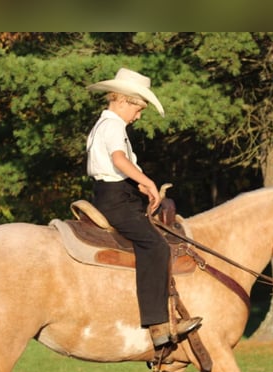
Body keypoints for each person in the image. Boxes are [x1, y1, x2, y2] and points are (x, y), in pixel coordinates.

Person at [86, 68, 201, 348]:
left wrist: (137, 184)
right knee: (156, 246)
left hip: (115, 193)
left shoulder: (104, 125)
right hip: (116, 200)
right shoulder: (113, 126)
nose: (138, 116)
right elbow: (118, 159)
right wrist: (147, 181)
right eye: (138, 109)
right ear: (124, 101)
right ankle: (158, 324)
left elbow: (114, 165)